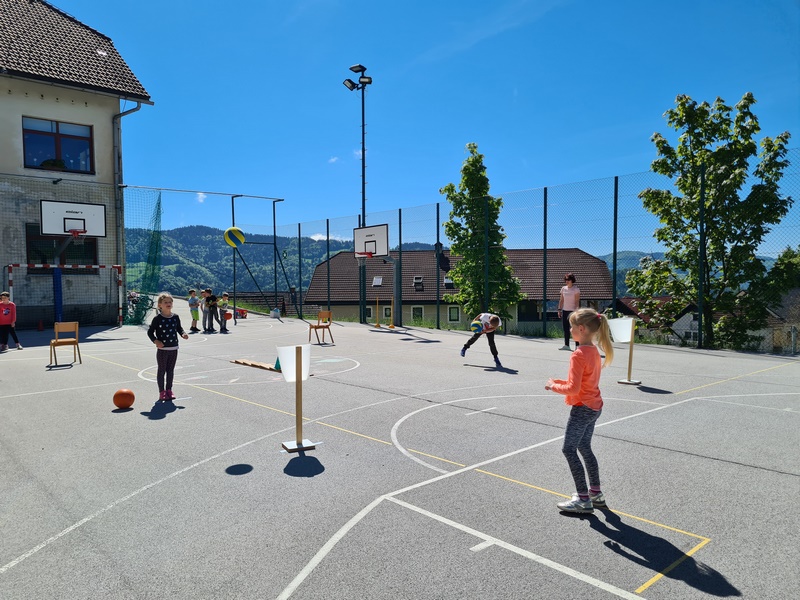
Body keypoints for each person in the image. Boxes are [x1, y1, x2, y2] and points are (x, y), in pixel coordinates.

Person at [545, 308, 614, 514]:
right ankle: (596, 494)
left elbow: (574, 389)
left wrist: (553, 386)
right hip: (594, 406)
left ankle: (583, 500)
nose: (569, 330)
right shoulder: (593, 351)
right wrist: (560, 382)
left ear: (581, 329)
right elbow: (583, 381)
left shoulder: (578, 354)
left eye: (571, 327)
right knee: (584, 447)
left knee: (568, 449)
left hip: (582, 408)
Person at [147, 292, 188, 401]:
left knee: (170, 370)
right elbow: (150, 332)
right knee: (161, 370)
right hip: (163, 349)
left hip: (174, 348)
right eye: (165, 302)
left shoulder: (175, 317)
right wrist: (156, 341)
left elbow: (179, 328)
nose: (168, 304)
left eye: (170, 302)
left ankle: (169, 390)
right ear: (160, 305)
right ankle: (162, 392)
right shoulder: (157, 318)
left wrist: (183, 334)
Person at [557, 273, 581, 351]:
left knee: (574, 329)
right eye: (565, 280)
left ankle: (577, 346)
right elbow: (561, 300)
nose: (566, 281)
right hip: (565, 311)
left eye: (568, 279)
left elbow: (577, 301)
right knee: (565, 328)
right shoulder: (563, 289)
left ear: (572, 280)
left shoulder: (576, 289)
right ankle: (566, 345)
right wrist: (559, 309)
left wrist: (576, 311)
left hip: (573, 312)